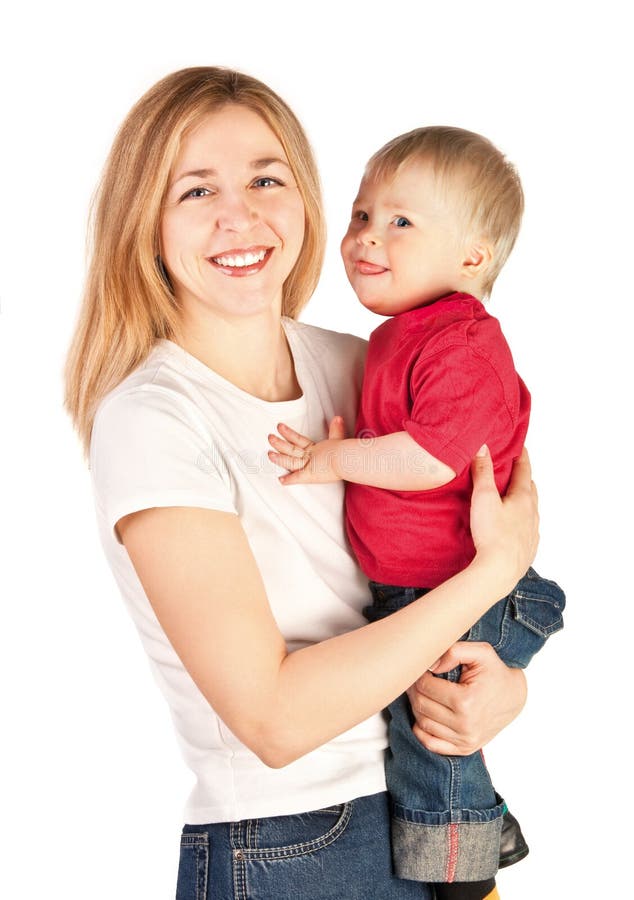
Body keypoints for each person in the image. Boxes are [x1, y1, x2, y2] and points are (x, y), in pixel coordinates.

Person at [64, 68, 539, 900]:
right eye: (196, 189)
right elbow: (274, 721)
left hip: (424, 813)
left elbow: (476, 531)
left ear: (306, 199)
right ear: (146, 222)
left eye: (266, 179)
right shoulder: (152, 420)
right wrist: (491, 578)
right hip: (290, 846)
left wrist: (502, 684)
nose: (238, 214)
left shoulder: (359, 365)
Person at [268, 127, 565, 898]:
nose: (368, 236)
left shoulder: (461, 344)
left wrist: (333, 460)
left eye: (401, 221)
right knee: (430, 734)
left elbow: (431, 459)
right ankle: (478, 838)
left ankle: (468, 883)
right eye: (363, 215)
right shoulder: (396, 338)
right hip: (429, 593)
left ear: (473, 257)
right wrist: (355, 456)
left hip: (462, 592)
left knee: (430, 739)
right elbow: (406, 455)